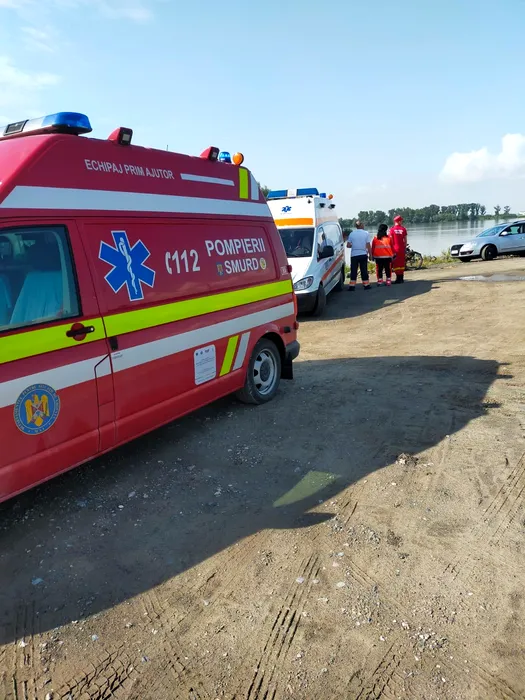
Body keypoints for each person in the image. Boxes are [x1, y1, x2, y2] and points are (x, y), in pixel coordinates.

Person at [346, 220, 372, 291]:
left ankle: (352, 286)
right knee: (364, 270)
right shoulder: (366, 233)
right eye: (363, 224)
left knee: (353, 270)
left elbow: (348, 245)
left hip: (354, 255)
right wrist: (370, 255)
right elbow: (368, 245)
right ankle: (366, 285)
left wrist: (354, 245)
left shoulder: (352, 234)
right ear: (361, 225)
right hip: (363, 254)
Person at [389, 215, 408, 283]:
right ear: (399, 221)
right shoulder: (403, 229)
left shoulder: (392, 229)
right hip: (401, 248)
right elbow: (405, 240)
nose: (402, 222)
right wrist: (404, 247)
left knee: (396, 264)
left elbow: (391, 240)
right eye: (401, 221)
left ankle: (398, 278)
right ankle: (401, 278)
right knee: (401, 263)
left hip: (395, 249)